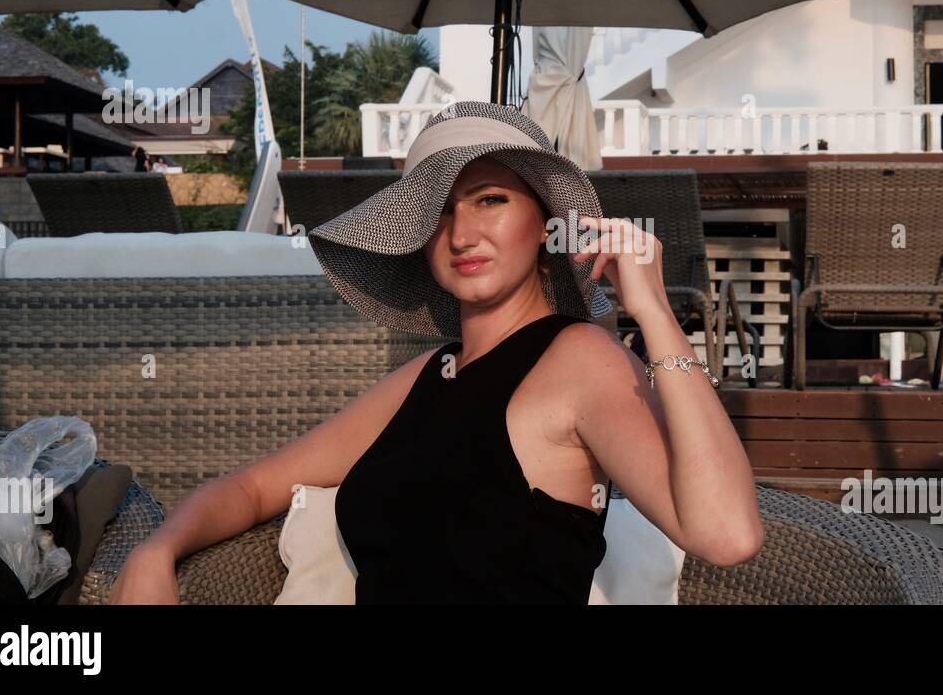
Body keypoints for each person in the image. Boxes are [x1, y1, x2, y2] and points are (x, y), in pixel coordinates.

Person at [110, 101, 763, 605]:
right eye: (441, 211)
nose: (462, 232)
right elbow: (252, 487)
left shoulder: (579, 360)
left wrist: (652, 313)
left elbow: (727, 533)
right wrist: (157, 549)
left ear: (544, 224)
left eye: (490, 200)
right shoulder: (427, 376)